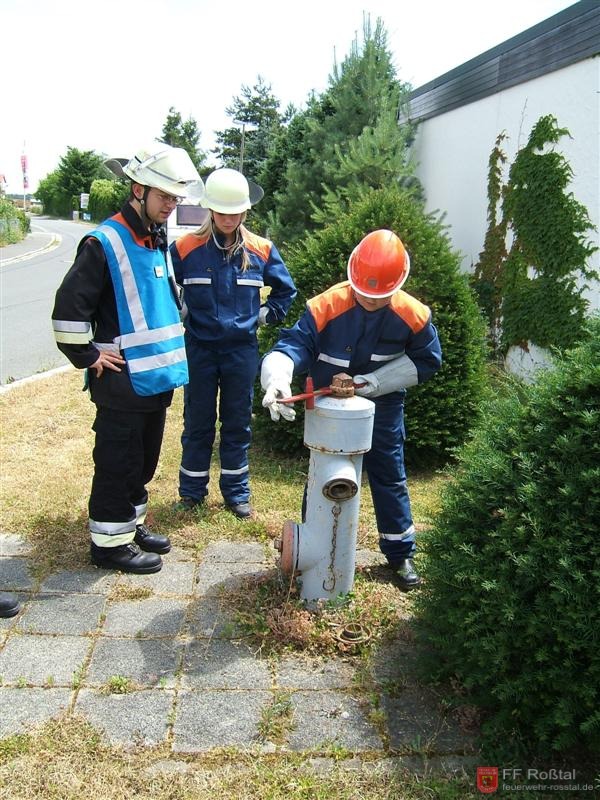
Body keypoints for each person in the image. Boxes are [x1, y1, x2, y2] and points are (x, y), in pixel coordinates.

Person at [51, 145, 204, 574]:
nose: (171, 206)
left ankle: (129, 526)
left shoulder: (154, 239)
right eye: (164, 198)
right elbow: (68, 312)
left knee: (143, 461)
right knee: (117, 462)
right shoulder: (104, 242)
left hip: (154, 381)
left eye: (175, 199)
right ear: (139, 190)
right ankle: (108, 546)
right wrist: (88, 355)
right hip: (121, 382)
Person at [260, 229, 442, 589]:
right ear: (352, 277)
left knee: (389, 473)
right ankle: (311, 549)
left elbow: (427, 361)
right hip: (328, 407)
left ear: (397, 286)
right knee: (322, 474)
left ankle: (399, 552)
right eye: (364, 293)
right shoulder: (326, 306)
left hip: (383, 406)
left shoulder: (412, 315)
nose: (371, 301)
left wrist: (376, 382)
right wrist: (277, 376)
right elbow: (293, 345)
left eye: (381, 296)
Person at [170, 168, 297, 519]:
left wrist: (261, 317)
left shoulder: (261, 249)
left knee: (238, 422)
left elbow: (286, 291)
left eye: (235, 212)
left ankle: (236, 494)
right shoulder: (184, 249)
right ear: (210, 209)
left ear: (245, 211)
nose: (228, 218)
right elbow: (165, 288)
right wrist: (180, 313)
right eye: (221, 211)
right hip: (199, 348)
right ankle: (191, 493)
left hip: (241, 351)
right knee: (198, 421)